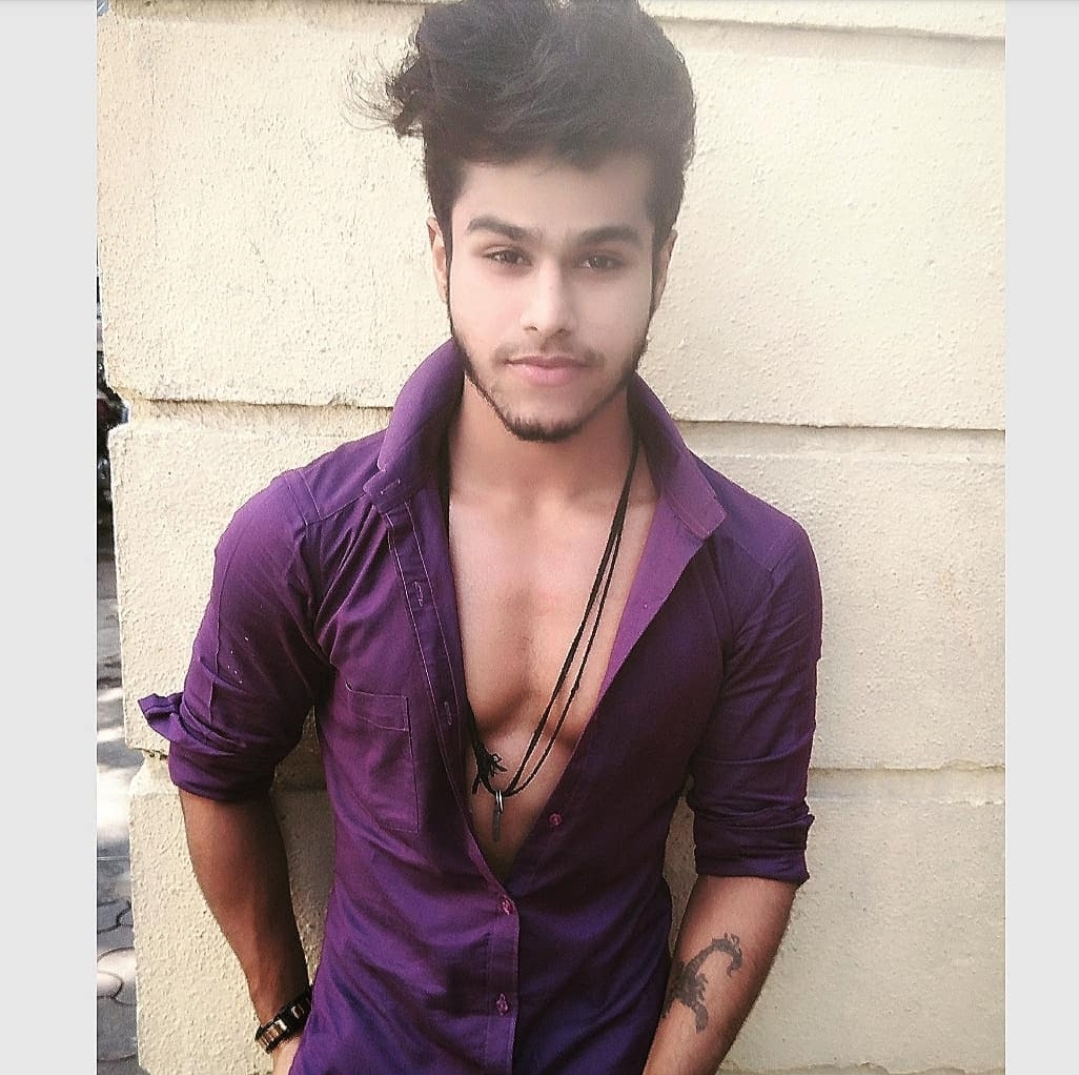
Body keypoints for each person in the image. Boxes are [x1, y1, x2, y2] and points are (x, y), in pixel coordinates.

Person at [139, 1, 823, 1072]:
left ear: (659, 262)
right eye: (505, 253)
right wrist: (282, 1028)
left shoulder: (754, 569)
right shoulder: (303, 536)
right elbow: (216, 767)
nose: (548, 310)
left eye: (600, 259)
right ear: (440, 253)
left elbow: (751, 848)